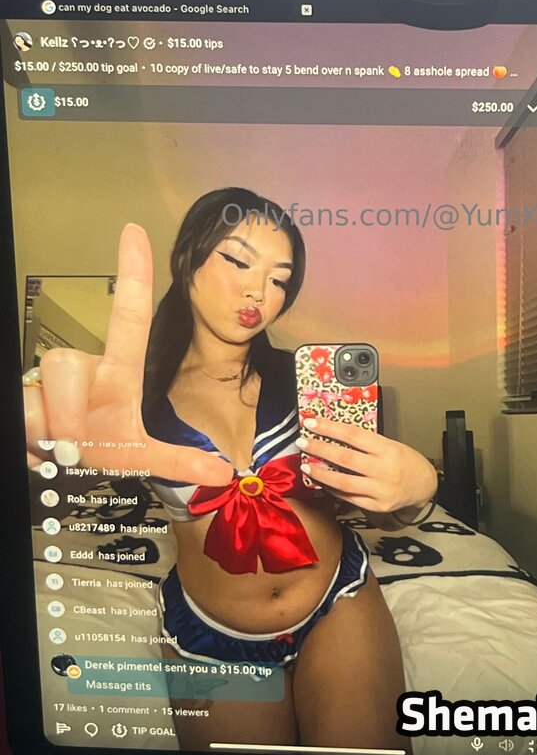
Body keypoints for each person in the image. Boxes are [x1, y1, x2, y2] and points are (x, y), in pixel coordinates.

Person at [25, 187, 438, 750]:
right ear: (187, 259)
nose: (258, 292)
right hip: (211, 635)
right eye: (238, 261)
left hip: (337, 601)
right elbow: (47, 503)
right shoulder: (132, 403)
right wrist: (47, 449)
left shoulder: (309, 385)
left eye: (279, 280)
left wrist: (420, 488)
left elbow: (382, 509)